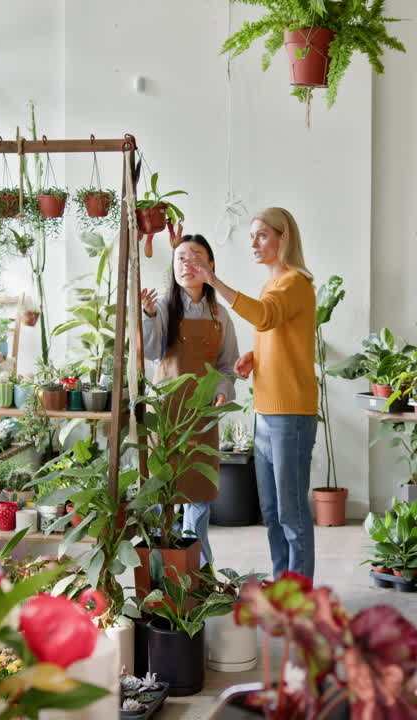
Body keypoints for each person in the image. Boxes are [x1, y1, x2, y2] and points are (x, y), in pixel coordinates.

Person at [182, 208, 318, 579]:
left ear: (283, 238)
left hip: (291, 414)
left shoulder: (295, 282)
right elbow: (279, 332)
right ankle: (281, 581)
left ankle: (299, 592)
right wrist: (255, 357)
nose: (254, 243)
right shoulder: (271, 286)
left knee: (291, 512)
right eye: (252, 236)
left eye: (262, 235)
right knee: (271, 512)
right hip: (266, 411)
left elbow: (265, 316)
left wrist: (214, 280)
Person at [141, 233, 239, 566]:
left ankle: (199, 573)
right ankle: (159, 574)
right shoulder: (161, 306)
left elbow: (227, 366)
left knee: (199, 497)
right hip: (166, 414)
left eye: (195, 256)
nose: (186, 263)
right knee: (161, 496)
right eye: (180, 257)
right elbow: (151, 352)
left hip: (201, 415)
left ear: (211, 265)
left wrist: (222, 390)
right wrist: (148, 316)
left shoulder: (220, 314)